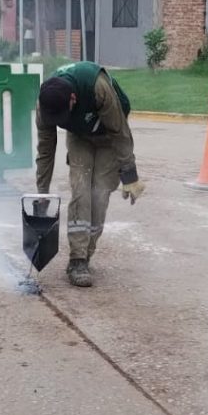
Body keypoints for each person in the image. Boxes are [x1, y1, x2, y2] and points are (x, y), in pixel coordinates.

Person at [36, 61, 144, 287]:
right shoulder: (45, 104)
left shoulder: (98, 88)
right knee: (80, 188)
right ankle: (77, 260)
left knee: (99, 193)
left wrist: (129, 174)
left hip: (109, 137)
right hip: (80, 137)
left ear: (73, 99)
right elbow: (46, 149)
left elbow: (120, 132)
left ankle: (87, 253)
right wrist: (42, 192)